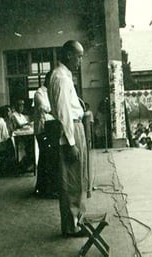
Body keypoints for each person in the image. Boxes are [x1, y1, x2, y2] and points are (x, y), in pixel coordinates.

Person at [48, 40, 90, 237]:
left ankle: (77, 220)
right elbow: (64, 113)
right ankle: (71, 226)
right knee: (70, 181)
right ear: (67, 55)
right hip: (70, 130)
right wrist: (71, 142)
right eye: (78, 56)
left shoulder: (66, 76)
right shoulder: (60, 77)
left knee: (78, 179)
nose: (80, 60)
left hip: (76, 127)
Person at [33, 72, 58, 197]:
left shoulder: (51, 93)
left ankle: (44, 187)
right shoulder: (39, 93)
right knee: (45, 158)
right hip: (42, 130)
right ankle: (44, 189)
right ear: (48, 80)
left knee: (48, 158)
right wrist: (56, 110)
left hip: (51, 129)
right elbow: (43, 107)